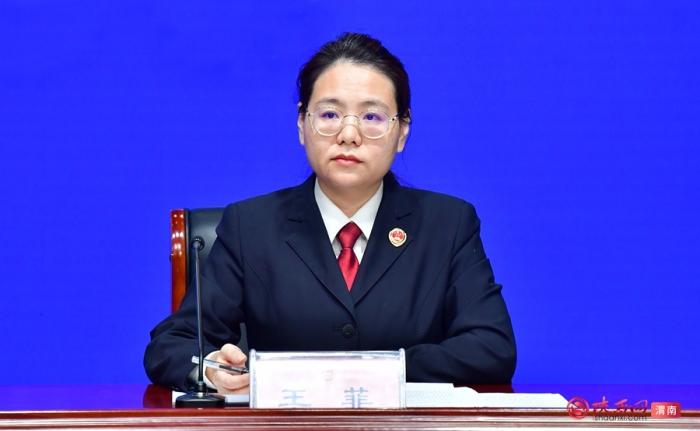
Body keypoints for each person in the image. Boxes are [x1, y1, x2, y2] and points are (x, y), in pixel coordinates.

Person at [144, 32, 516, 394]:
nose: (348, 134)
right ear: (302, 123)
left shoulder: (448, 224)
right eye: (330, 114)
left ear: (402, 131)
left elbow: (491, 348)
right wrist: (212, 367)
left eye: (372, 117)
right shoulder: (250, 226)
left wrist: (378, 370)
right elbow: (172, 345)